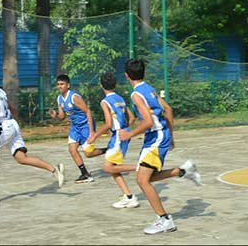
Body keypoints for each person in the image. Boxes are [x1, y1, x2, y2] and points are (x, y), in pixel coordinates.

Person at [118, 59, 203, 235]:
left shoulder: (136, 95)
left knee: (142, 180)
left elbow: (148, 121)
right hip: (159, 136)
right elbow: (169, 110)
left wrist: (129, 134)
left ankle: (165, 220)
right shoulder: (149, 89)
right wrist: (170, 137)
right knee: (148, 176)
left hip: (155, 138)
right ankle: (183, 171)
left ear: (126, 76)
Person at [87, 72, 139, 208]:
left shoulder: (105, 101)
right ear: (115, 85)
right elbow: (132, 117)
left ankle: (141, 167)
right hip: (123, 134)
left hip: (117, 136)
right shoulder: (120, 98)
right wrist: (124, 128)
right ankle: (128, 196)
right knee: (113, 168)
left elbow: (109, 124)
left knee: (107, 167)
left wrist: (95, 135)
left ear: (101, 85)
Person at [0, 86, 64, 187]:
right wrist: (15, 124)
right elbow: (12, 108)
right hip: (11, 124)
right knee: (21, 158)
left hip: (3, 126)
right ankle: (54, 170)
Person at [48, 74, 107, 184]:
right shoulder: (59, 99)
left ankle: (108, 150)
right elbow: (62, 117)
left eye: (62, 84)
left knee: (88, 154)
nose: (60, 86)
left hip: (85, 125)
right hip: (75, 127)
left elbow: (88, 111)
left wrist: (92, 131)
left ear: (68, 85)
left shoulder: (74, 97)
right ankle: (85, 174)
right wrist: (55, 115)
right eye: (58, 84)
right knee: (72, 149)